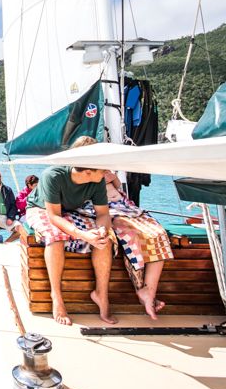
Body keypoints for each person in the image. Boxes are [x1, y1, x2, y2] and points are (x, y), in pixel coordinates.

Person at [70, 136, 174, 320]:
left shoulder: (103, 168)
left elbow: (119, 187)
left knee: (158, 233)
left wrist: (113, 178)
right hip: (104, 209)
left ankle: (149, 290)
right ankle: (140, 288)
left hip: (124, 205)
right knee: (129, 235)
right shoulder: (81, 173)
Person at [24, 163, 116, 326]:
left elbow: (103, 214)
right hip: (41, 209)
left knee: (104, 240)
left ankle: (101, 294)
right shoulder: (52, 176)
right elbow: (54, 216)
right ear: (88, 171)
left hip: (70, 210)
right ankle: (56, 297)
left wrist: (101, 230)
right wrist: (82, 235)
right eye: (103, 169)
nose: (107, 172)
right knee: (55, 237)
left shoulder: (98, 180)